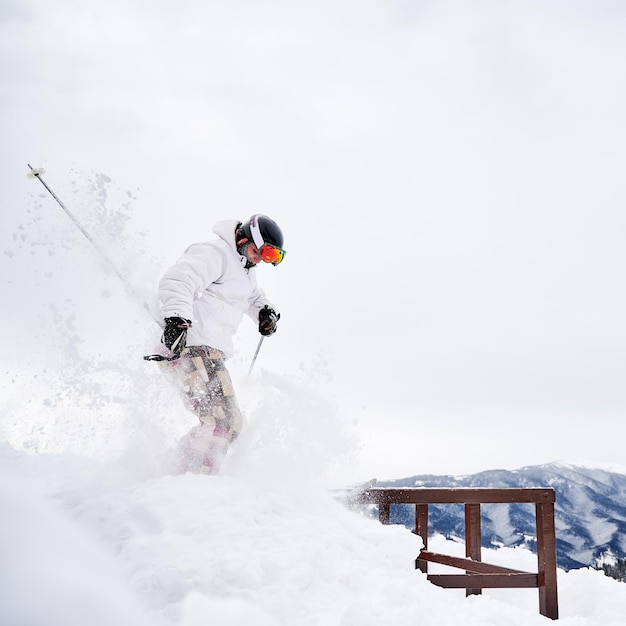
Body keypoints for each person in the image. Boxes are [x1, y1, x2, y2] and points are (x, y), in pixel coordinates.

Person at [155, 214, 285, 475]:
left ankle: (180, 472)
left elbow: (253, 297)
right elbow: (179, 280)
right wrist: (177, 320)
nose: (260, 259)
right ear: (244, 239)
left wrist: (264, 312)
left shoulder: (246, 272)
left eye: (269, 256)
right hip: (189, 344)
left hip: (207, 351)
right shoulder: (216, 253)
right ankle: (190, 480)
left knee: (228, 423)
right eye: (258, 252)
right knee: (221, 420)